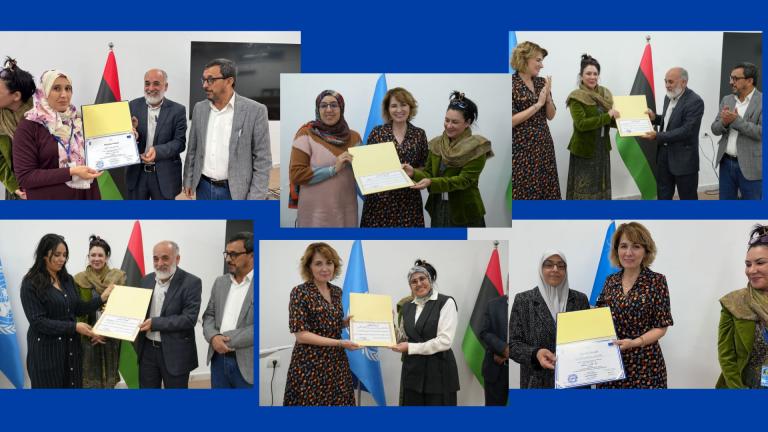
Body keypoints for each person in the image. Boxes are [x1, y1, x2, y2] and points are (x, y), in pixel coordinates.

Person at [19, 234, 113, 388]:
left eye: (64, 255)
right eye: (57, 255)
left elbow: (77, 308)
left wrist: (102, 298)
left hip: (71, 351)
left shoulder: (67, 279)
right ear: (44, 254)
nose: (62, 259)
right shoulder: (30, 283)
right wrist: (74, 327)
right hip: (46, 353)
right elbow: (38, 322)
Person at [596, 222, 673, 388]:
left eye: (636, 246)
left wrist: (635, 342)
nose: (628, 253)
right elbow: (598, 316)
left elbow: (662, 326)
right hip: (611, 363)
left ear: (646, 251)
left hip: (646, 363)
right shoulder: (610, 281)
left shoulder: (657, 281)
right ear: (616, 250)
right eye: (623, 246)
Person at [183, 58, 272, 200]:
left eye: (211, 80)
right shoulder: (199, 108)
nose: (205, 85)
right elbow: (193, 149)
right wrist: (188, 179)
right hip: (203, 187)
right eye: (203, 80)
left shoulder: (255, 111)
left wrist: (255, 198)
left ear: (229, 81)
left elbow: (263, 160)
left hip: (235, 191)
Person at [284, 242, 359, 405]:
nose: (325, 268)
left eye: (329, 262)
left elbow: (327, 323)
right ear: (309, 267)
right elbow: (301, 335)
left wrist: (345, 323)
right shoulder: (299, 292)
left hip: (336, 363)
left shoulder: (337, 292)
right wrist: (340, 342)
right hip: (309, 364)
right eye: (318, 263)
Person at [403, 91, 493, 227]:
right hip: (438, 207)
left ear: (467, 122)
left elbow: (464, 181)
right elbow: (428, 174)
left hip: (465, 212)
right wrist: (413, 172)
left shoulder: (477, 147)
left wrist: (431, 182)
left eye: (455, 122)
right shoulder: (436, 144)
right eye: (447, 120)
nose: (449, 125)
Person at [12, 69, 102, 199]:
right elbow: (26, 177)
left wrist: (126, 135)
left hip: (87, 198)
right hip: (50, 207)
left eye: (68, 88)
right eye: (56, 88)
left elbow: (102, 149)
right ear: (44, 92)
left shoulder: (79, 121)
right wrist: (71, 172)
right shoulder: (29, 126)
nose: (64, 95)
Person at [508, 250, 589, 388]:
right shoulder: (524, 300)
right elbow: (514, 345)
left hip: (576, 382)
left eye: (560, 266)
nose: (555, 269)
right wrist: (536, 353)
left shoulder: (580, 299)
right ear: (541, 269)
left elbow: (588, 339)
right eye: (549, 265)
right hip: (537, 382)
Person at [134, 240, 202, 388]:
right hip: (147, 351)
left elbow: (189, 319)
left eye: (165, 258)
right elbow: (137, 310)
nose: (159, 263)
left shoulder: (191, 282)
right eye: (155, 258)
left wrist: (155, 323)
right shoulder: (145, 280)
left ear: (177, 259)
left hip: (176, 352)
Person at [391, 259, 459, 405]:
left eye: (422, 278)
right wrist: (388, 324)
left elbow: (444, 341)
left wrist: (410, 347)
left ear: (430, 279)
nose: (419, 283)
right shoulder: (407, 307)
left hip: (439, 374)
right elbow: (403, 338)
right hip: (413, 374)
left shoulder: (446, 302)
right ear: (410, 286)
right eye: (414, 281)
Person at [288, 90, 360, 227]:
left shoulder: (354, 137)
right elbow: (296, 175)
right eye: (323, 105)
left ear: (341, 108)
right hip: (315, 214)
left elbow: (365, 172)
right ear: (318, 109)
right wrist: (333, 169)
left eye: (334, 105)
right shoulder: (306, 134)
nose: (329, 110)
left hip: (347, 211)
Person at [361, 87, 428, 227]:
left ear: (410, 107)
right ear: (387, 109)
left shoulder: (419, 134)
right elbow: (367, 167)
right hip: (379, 202)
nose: (399, 110)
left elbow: (424, 166)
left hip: (409, 201)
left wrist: (414, 172)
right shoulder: (377, 133)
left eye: (403, 104)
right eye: (394, 106)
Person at [717, 224, 768, 388]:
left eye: (760, 263)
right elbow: (727, 356)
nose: (751, 270)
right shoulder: (733, 302)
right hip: (747, 385)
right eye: (748, 264)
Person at [643, 67, 704, 200]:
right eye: (665, 81)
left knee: (688, 199)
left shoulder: (695, 101)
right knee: (663, 196)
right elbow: (669, 121)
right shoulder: (668, 97)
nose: (667, 85)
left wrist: (657, 136)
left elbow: (686, 131)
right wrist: (655, 118)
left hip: (684, 160)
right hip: (664, 156)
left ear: (683, 82)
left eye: (670, 82)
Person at [73, 235, 126, 389]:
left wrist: (105, 332)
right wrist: (91, 333)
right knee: (88, 381)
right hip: (86, 337)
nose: (96, 258)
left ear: (107, 257)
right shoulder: (77, 279)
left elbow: (123, 309)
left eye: (100, 255)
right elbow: (75, 310)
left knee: (109, 380)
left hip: (111, 336)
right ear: (88, 257)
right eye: (93, 255)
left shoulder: (118, 278)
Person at [202, 232, 254, 388]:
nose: (228, 259)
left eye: (234, 254)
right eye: (227, 254)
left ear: (251, 255)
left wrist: (222, 339)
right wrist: (213, 337)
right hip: (218, 360)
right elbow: (209, 315)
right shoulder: (220, 282)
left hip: (246, 363)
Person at [511, 41, 560, 200]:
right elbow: (510, 121)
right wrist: (538, 104)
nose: (542, 65)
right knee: (525, 193)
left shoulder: (541, 82)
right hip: (522, 151)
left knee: (547, 191)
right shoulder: (511, 84)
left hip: (544, 147)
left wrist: (547, 99)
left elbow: (551, 116)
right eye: (538, 60)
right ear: (524, 58)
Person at [127, 68, 187, 200]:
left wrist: (158, 151)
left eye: (156, 83)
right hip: (137, 174)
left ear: (165, 86)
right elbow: (126, 137)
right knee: (135, 216)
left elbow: (180, 143)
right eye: (147, 83)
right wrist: (133, 136)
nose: (150, 88)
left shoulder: (178, 110)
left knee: (163, 219)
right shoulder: (132, 106)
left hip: (164, 176)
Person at [565, 54, 619, 200]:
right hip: (584, 149)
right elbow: (581, 124)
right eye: (588, 73)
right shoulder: (576, 97)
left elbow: (609, 120)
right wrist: (608, 116)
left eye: (595, 74)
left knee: (601, 185)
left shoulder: (605, 94)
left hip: (602, 147)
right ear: (581, 76)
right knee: (585, 189)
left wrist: (623, 123)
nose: (592, 77)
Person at [711, 62, 763, 200]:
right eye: (730, 78)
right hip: (726, 163)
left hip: (752, 165)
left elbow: (761, 133)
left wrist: (736, 121)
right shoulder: (727, 100)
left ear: (750, 80)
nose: (731, 82)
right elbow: (715, 129)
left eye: (735, 78)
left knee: (751, 211)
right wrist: (724, 122)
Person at [0, 57, 35, 200]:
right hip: (17, 190)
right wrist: (14, 186)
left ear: (16, 96)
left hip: (45, 187)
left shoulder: (44, 115)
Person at [479, 293, 508, 405]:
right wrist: (503, 348)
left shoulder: (531, 304)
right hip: (496, 369)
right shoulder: (493, 304)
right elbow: (484, 332)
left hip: (523, 371)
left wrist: (512, 352)